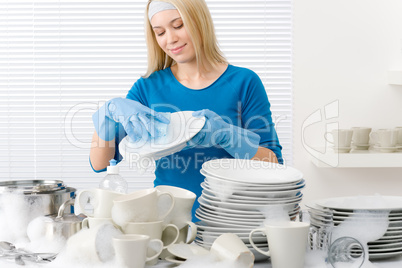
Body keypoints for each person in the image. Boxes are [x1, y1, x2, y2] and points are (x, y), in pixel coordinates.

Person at [90, 0, 283, 218]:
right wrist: (109, 112)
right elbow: (100, 164)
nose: (170, 39)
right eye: (160, 32)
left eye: (179, 25)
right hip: (169, 221)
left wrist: (226, 135)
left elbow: (273, 163)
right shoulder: (148, 87)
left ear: (200, 23)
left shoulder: (244, 82)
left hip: (233, 219)